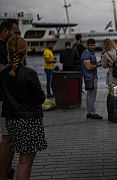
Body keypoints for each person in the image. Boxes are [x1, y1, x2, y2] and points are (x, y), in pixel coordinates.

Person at [0, 36, 47, 180]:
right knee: (25, 162)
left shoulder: (2, 74)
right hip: (29, 121)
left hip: (12, 120)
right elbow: (40, 98)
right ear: (24, 51)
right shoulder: (29, 73)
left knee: (22, 161)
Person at [0, 19, 20, 180]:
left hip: (8, 99)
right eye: (16, 32)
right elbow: (4, 75)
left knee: (10, 137)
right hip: (5, 99)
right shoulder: (1, 49)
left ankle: (7, 170)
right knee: (7, 138)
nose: (18, 35)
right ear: (6, 31)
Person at [100, 38, 117, 122]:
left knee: (112, 94)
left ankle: (113, 114)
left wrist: (102, 58)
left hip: (112, 76)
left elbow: (104, 66)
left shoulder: (106, 54)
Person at [81, 38, 103, 119]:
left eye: (94, 45)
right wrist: (98, 65)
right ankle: (92, 113)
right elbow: (88, 67)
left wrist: (99, 62)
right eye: (91, 45)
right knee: (91, 96)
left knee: (90, 96)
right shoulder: (86, 54)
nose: (93, 47)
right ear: (87, 45)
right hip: (90, 78)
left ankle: (89, 112)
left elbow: (92, 64)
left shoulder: (91, 53)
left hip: (91, 77)